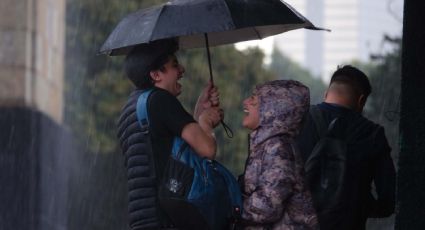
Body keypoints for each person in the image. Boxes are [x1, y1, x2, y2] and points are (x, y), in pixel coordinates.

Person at [117, 39, 223, 230]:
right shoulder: (160, 100)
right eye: (174, 65)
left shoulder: (132, 108)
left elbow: (164, 149)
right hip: (168, 218)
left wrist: (199, 110)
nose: (182, 69)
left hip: (142, 217)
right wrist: (206, 122)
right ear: (156, 75)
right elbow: (207, 149)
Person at [296, 65, 396, 230]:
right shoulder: (372, 134)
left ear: (326, 94)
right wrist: (355, 206)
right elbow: (389, 200)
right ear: (361, 100)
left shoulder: (298, 122)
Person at [240, 80, 319, 230]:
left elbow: (268, 206)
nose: (246, 102)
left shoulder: (278, 148)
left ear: (272, 110)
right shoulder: (268, 145)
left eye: (254, 100)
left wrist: (229, 207)